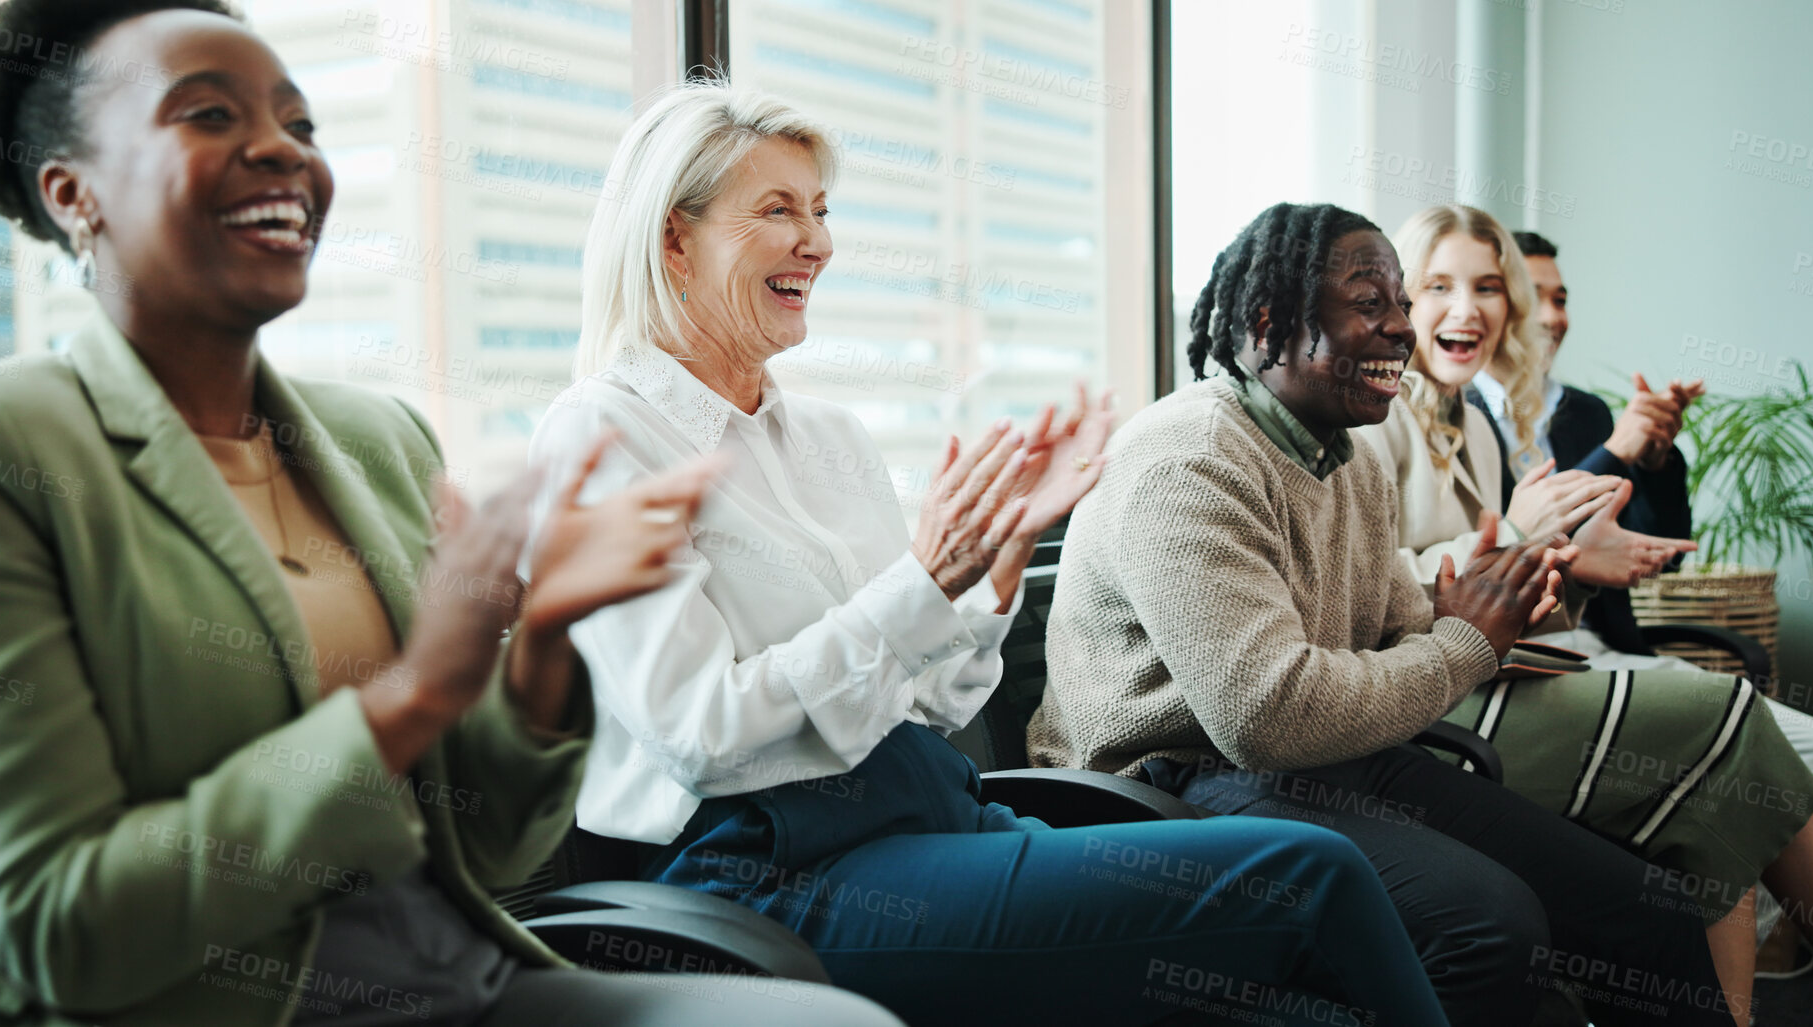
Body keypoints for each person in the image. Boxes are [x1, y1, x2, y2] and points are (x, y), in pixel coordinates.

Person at [0, 4, 903, 1025]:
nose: (280, 149)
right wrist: (413, 695)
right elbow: (59, 929)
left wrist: (539, 648)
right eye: (209, 114)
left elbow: (488, 849)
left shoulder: (377, 440)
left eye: (299, 125)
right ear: (72, 193)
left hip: (446, 972)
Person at [532, 82, 1454, 1027]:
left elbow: (933, 703)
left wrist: (995, 565)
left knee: (1301, 1003)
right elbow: (701, 735)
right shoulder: (601, 436)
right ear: (673, 239)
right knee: (1309, 874)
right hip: (773, 870)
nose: (817, 242)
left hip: (931, 809)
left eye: (820, 211)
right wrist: (924, 583)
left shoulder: (827, 437)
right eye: (777, 210)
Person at [1030, 201, 1737, 1026]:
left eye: (1400, 303)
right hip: (1165, 787)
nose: (1402, 327)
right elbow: (1266, 714)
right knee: (1489, 926)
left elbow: (1399, 622)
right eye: (1371, 303)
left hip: (1314, 762)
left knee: (1645, 905)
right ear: (1268, 324)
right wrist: (1463, 640)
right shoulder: (1188, 461)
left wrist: (1492, 606)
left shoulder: (1347, 459)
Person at [1355, 203, 1813, 1025]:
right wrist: (1527, 537)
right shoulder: (1372, 418)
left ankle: (1775, 1001)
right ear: (1397, 300)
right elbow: (1368, 591)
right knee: (1727, 722)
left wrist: (1569, 570)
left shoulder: (1476, 431)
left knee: (1725, 774)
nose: (1468, 308)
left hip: (1499, 672)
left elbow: (1513, 596)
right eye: (1438, 286)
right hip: (1422, 703)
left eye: (1487, 287)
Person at [1488, 229, 1813, 961]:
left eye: (1563, 298)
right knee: (1765, 761)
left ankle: (1718, 963)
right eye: (1535, 298)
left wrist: (1656, 458)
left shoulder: (1582, 411)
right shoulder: (1458, 415)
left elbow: (1656, 549)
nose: (1556, 316)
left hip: (1601, 644)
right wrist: (1617, 450)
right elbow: (1514, 544)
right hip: (1522, 657)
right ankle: (1723, 971)